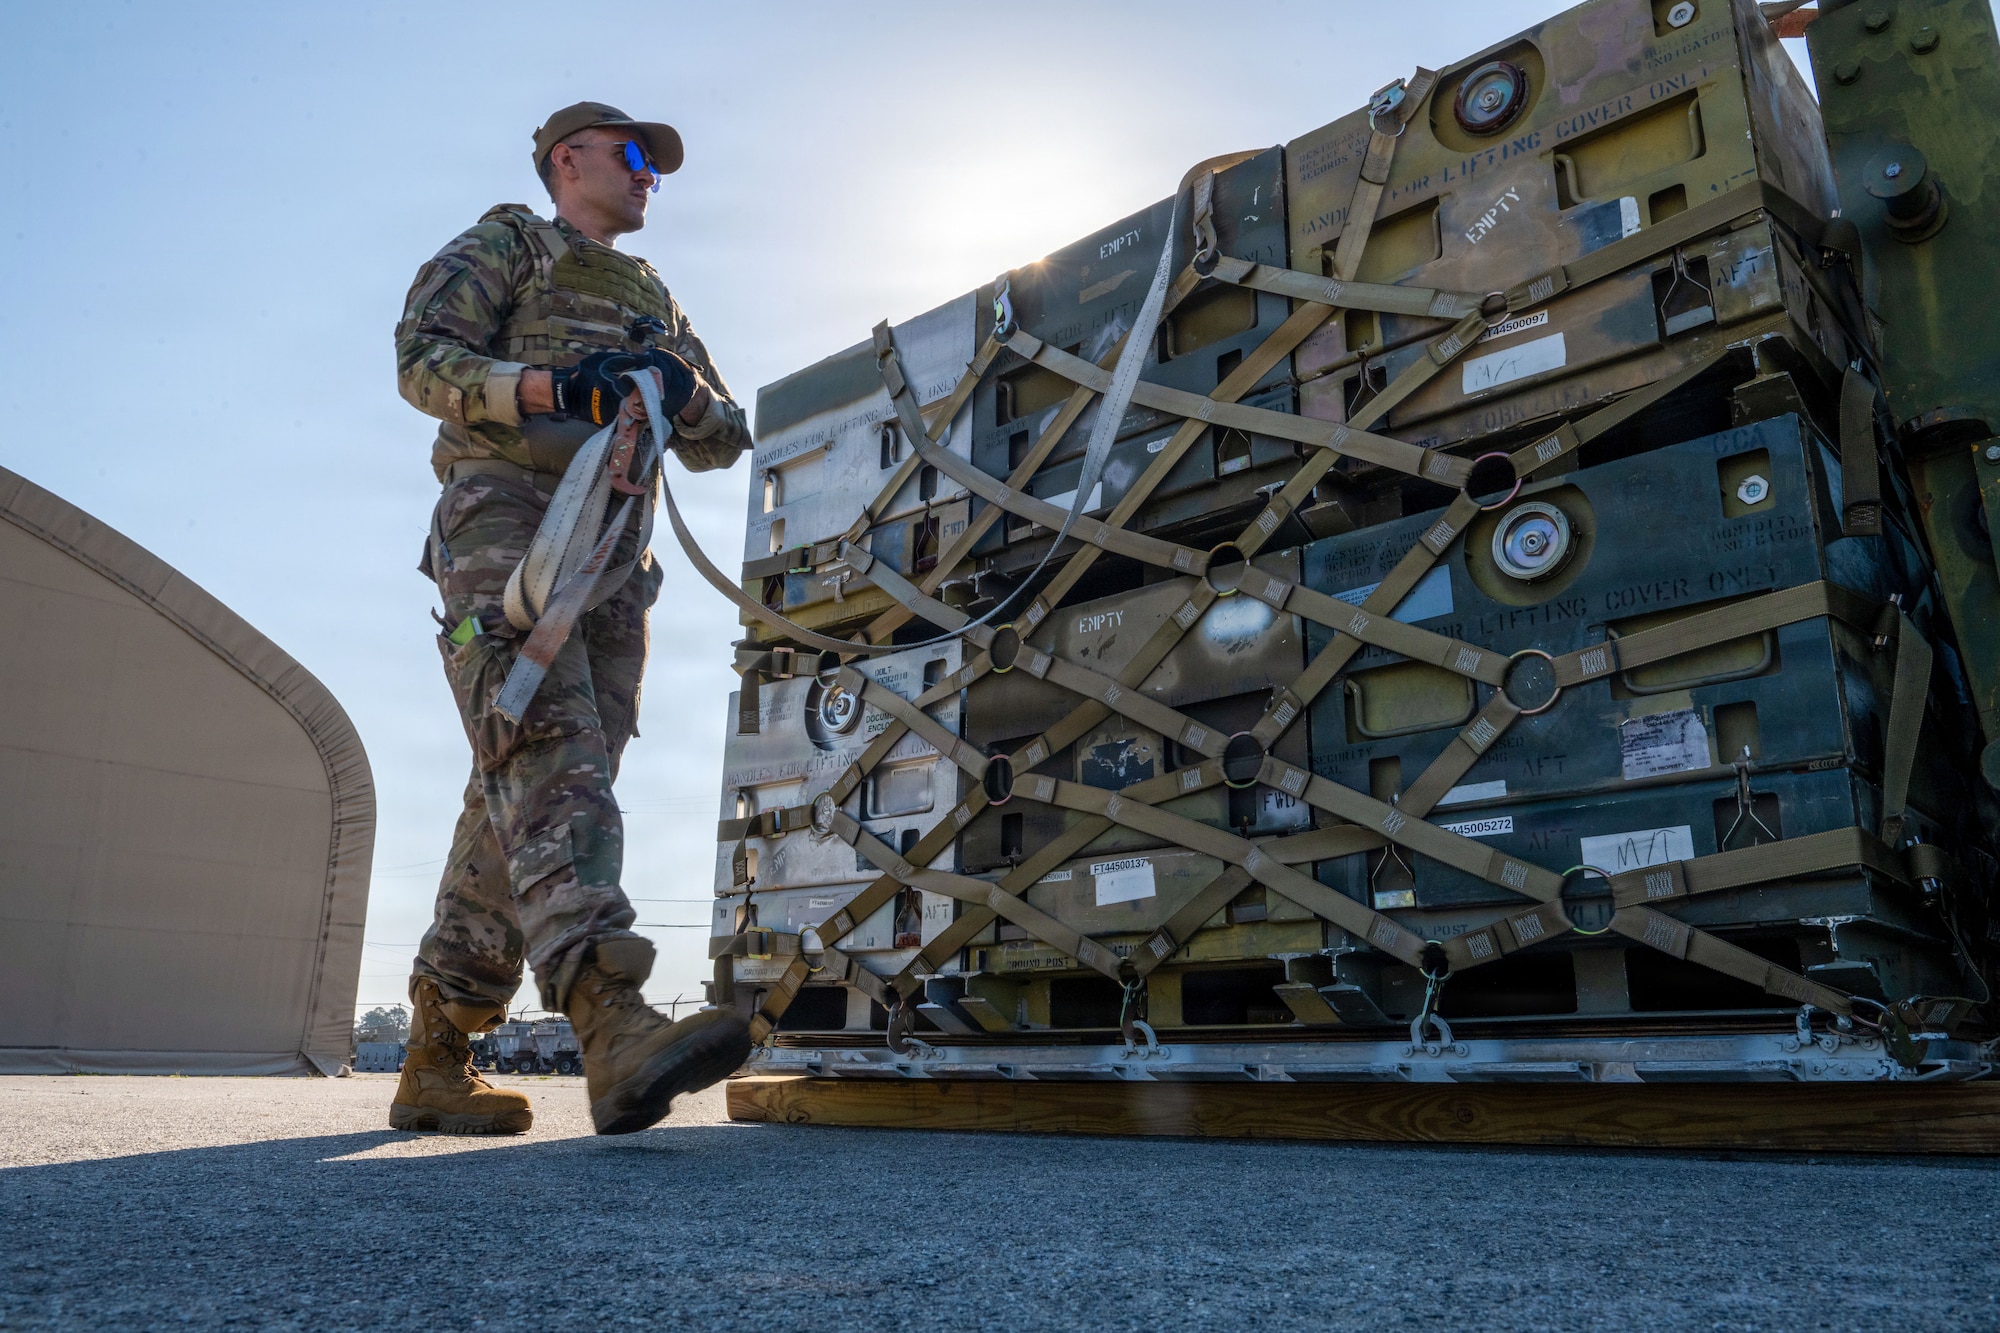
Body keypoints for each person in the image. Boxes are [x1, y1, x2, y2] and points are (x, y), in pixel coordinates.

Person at [388, 102, 752, 1136]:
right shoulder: (507, 243)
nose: (650, 176)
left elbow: (724, 437)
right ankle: (609, 1013)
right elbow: (424, 361)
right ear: (568, 159)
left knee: (530, 777)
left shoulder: (653, 297)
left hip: (612, 549)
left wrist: (682, 398)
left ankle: (434, 1054)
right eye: (634, 156)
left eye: (656, 165)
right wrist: (551, 385)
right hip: (506, 520)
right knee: (549, 744)